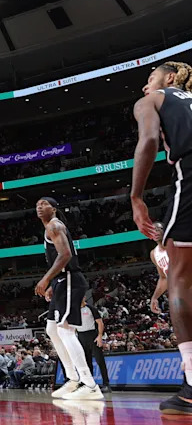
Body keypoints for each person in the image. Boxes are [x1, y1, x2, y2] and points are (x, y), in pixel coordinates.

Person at [131, 60, 192, 415]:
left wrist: (136, 197)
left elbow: (150, 140)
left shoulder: (153, 100)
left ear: (169, 79)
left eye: (149, 78)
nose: (145, 86)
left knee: (180, 278)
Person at [34, 196, 103, 400]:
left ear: (54, 209)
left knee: (65, 330)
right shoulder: (50, 228)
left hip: (70, 278)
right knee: (51, 329)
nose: (39, 206)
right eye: (37, 204)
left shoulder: (54, 225)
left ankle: (89, 385)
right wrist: (53, 284)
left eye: (44, 204)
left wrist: (46, 280)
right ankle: (72, 379)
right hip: (62, 281)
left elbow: (65, 255)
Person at [75, 295, 110, 393]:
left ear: (84, 297)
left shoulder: (91, 308)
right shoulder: (74, 310)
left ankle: (106, 384)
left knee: (100, 360)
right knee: (86, 362)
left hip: (92, 335)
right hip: (81, 336)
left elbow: (100, 322)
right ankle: (89, 384)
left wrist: (99, 336)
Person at [151, 241, 170, 314]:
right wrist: (155, 297)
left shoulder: (182, 241)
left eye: (159, 228)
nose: (156, 230)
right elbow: (164, 278)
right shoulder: (155, 254)